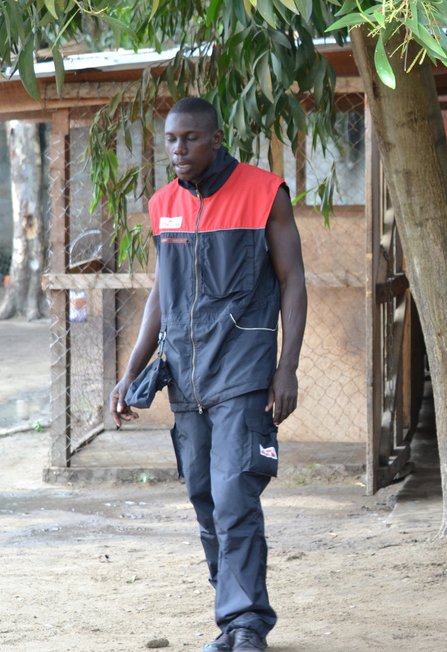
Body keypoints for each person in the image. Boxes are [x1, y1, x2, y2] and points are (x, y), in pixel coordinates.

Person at [109, 97, 307, 652]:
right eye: (171, 140)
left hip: (242, 373)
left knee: (233, 494)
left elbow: (293, 281)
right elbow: (160, 297)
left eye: (190, 139)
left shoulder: (266, 192)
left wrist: (285, 368)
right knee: (203, 494)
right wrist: (130, 373)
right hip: (186, 378)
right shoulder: (162, 204)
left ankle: (246, 624)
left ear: (216, 139)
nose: (178, 150)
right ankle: (231, 619)